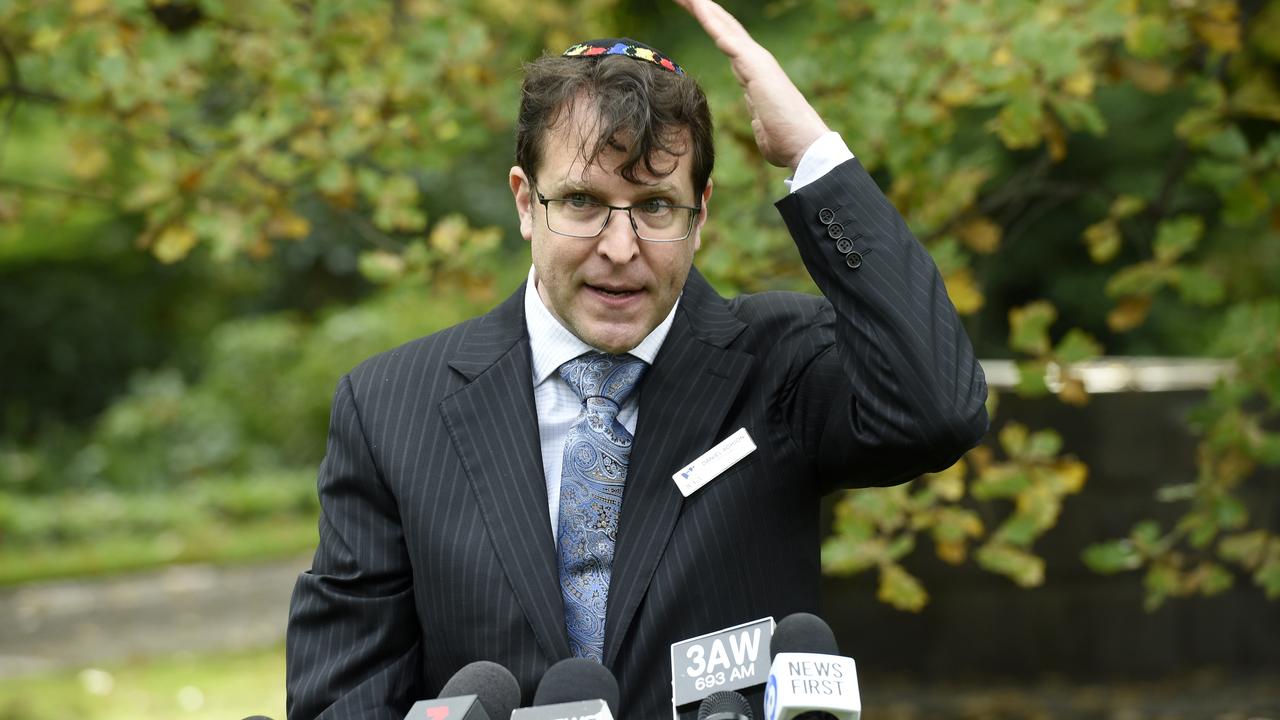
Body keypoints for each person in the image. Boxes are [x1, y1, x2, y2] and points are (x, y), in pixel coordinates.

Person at [285, 1, 988, 718]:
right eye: (584, 202)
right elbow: (344, 697)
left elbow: (938, 409)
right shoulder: (391, 407)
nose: (620, 250)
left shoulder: (778, 366)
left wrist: (811, 153)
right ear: (526, 203)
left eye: (655, 207)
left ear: (701, 213)